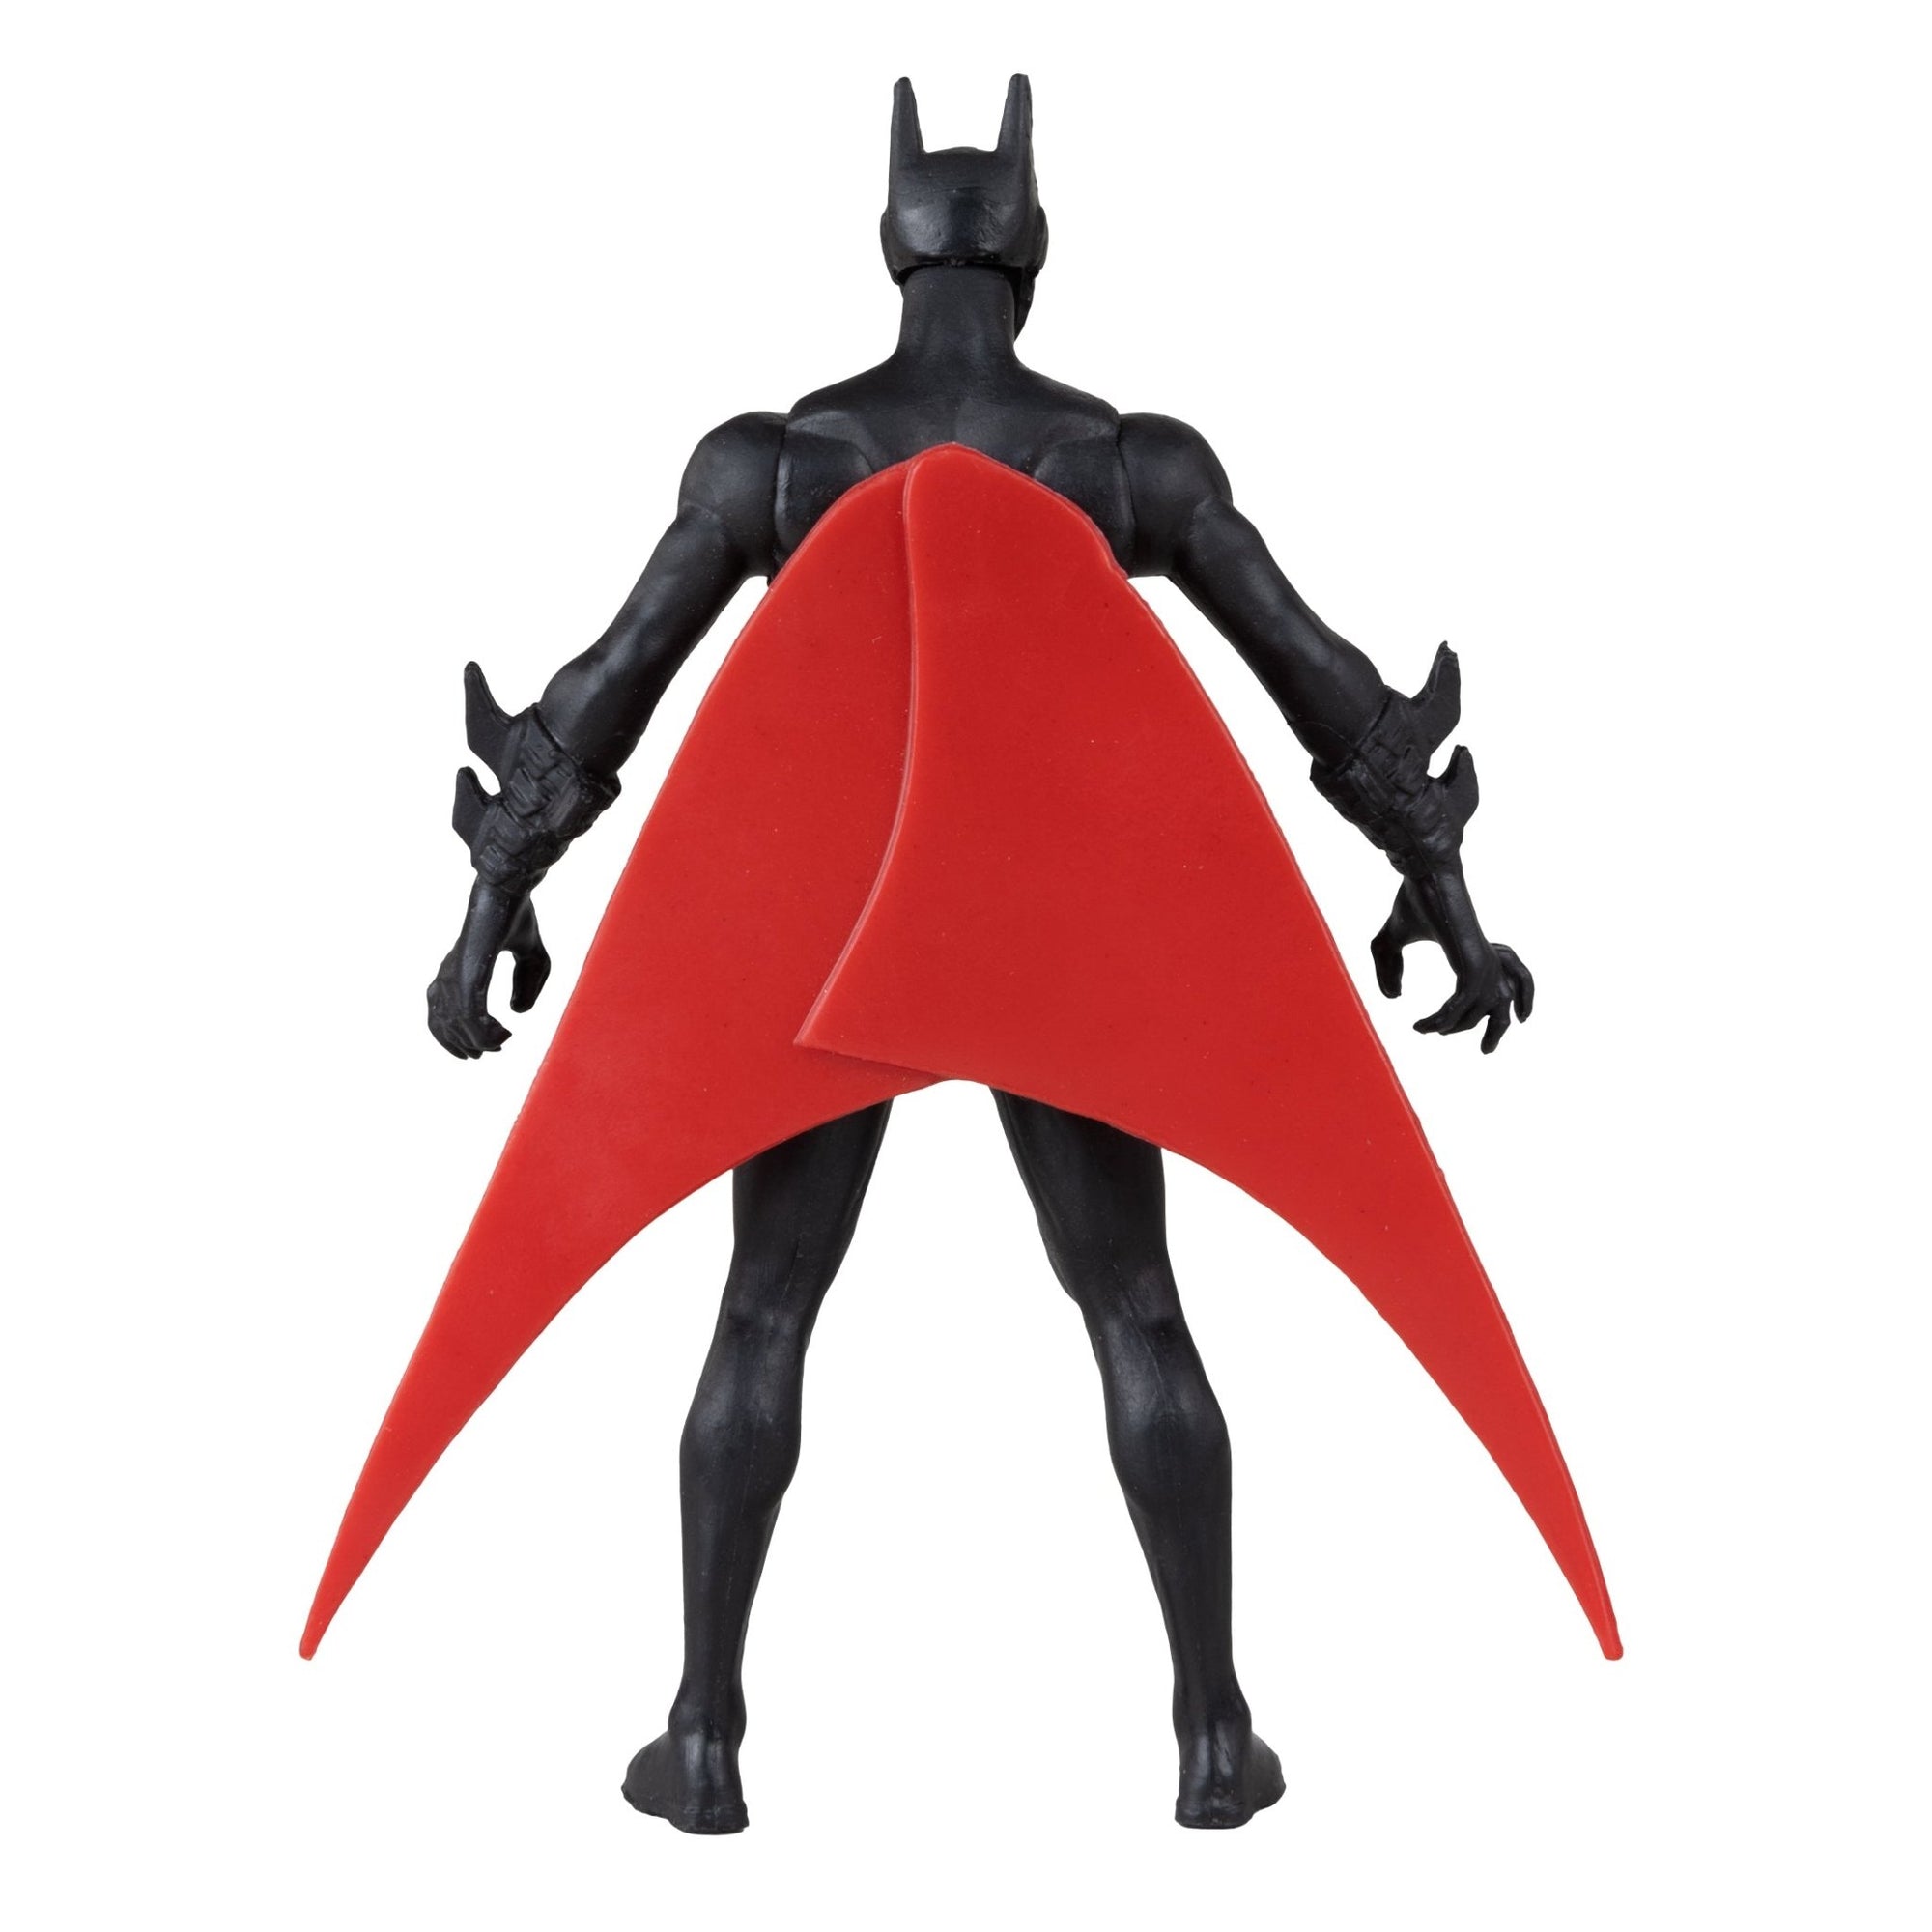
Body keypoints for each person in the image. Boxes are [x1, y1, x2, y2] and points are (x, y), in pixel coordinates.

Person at [421, 76, 1536, 1833]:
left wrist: (492, 910)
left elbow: (600, 695)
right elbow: (1330, 691)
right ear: (1035, 252)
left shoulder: (773, 464)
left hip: (829, 936)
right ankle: (1215, 1737)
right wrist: (1449, 902)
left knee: (763, 1312)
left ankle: (703, 1739)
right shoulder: (1128, 463)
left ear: (892, 251)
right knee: (1137, 1308)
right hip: (1049, 929)